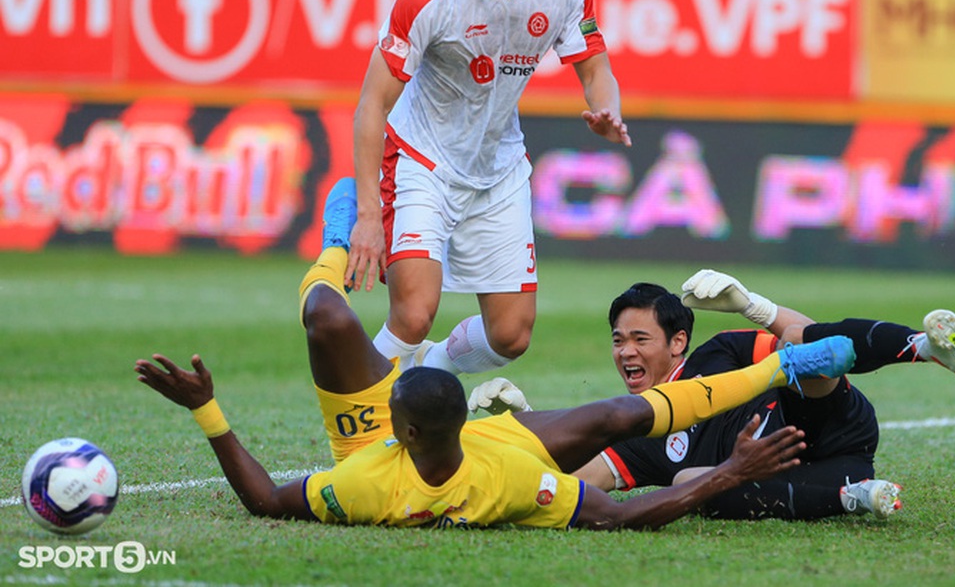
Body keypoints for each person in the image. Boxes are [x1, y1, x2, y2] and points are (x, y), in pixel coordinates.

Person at [133, 183, 859, 530]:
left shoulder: (361, 481)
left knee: (325, 319)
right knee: (618, 414)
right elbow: (614, 517)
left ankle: (783, 365)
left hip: (420, 436)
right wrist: (727, 472)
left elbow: (264, 499)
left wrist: (207, 408)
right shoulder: (511, 474)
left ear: (405, 427)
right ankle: (338, 238)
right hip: (487, 437)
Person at [345, 0, 630, 376]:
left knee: (510, 335)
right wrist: (367, 216)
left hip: (497, 167)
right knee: (414, 314)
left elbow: (595, 69)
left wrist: (606, 110)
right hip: (421, 158)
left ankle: (427, 370)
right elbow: (372, 104)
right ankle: (354, 420)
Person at [567, 269, 955, 520]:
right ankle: (852, 496)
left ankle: (923, 347)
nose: (626, 352)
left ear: (678, 343)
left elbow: (818, 344)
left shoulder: (719, 353)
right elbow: (578, 481)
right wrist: (524, 434)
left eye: (640, 339)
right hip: (818, 476)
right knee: (689, 481)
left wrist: (753, 306)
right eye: (619, 341)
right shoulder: (640, 429)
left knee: (798, 346)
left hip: (825, 420)